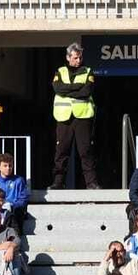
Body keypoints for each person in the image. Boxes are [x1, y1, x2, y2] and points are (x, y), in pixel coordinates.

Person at [52, 42, 99, 191]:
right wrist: (76, 87)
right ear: (68, 58)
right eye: (75, 58)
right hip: (64, 117)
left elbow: (86, 92)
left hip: (83, 117)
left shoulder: (88, 71)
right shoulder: (60, 71)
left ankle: (91, 183)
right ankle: (58, 183)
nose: (78, 61)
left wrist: (67, 91)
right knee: (61, 151)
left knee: (85, 151)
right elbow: (57, 88)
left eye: (80, 58)